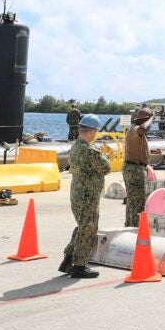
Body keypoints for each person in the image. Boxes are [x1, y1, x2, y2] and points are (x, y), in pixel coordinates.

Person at [60, 114, 111, 278]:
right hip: (88, 195)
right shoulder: (89, 150)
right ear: (91, 131)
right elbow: (106, 167)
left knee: (82, 226)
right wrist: (105, 155)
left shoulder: (76, 146)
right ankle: (79, 266)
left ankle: (68, 260)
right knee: (88, 228)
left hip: (77, 194)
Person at [123, 107, 152, 227]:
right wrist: (151, 119)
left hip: (132, 167)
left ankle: (129, 225)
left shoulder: (133, 131)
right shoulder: (136, 129)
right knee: (138, 202)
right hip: (135, 170)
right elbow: (143, 129)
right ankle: (135, 228)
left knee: (132, 201)